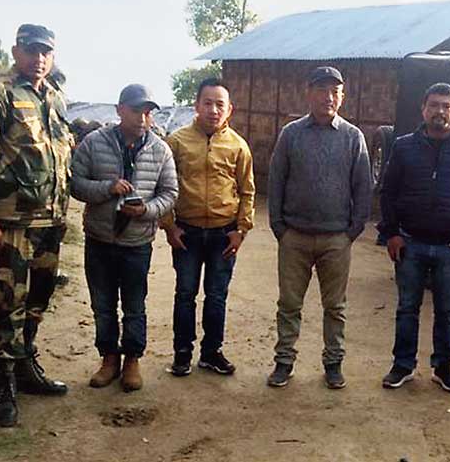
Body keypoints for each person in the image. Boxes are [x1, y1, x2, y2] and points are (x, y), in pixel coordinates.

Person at [0, 24, 73, 426]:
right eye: (31, 50)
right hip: (10, 222)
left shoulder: (55, 97)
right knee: (6, 302)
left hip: (49, 220)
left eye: (46, 51)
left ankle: (25, 364)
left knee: (38, 300)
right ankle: (3, 382)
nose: (38, 57)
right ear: (16, 50)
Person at [378, 83, 450, 391]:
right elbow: (387, 192)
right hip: (410, 242)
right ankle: (402, 365)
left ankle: (444, 367)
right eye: (434, 105)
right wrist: (391, 234)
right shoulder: (403, 146)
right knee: (407, 308)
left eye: (447, 106)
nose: (440, 111)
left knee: (447, 310)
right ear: (423, 109)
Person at [266, 66, 372, 389]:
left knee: (335, 307)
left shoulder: (353, 137)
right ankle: (284, 362)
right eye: (322, 90)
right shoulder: (291, 134)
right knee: (289, 305)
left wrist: (351, 231)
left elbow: (363, 186)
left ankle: (333, 363)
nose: (328, 97)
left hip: (336, 238)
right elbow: (276, 180)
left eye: (335, 92)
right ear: (309, 93)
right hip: (294, 236)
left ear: (342, 96)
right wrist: (280, 228)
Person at [71, 84, 177, 392]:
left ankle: (132, 360)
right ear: (119, 110)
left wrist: (146, 210)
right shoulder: (93, 143)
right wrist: (107, 188)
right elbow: (75, 184)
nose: (142, 118)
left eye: (147, 112)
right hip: (100, 240)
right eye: (135, 110)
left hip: (136, 243)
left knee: (134, 305)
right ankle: (108, 359)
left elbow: (170, 194)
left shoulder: (160, 149)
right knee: (102, 305)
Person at [161, 78, 254, 378]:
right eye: (208, 103)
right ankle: (182, 353)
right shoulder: (176, 142)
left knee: (216, 295)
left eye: (220, 105)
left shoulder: (238, 146)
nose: (214, 110)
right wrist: (169, 227)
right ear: (197, 106)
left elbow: (247, 191)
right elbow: (163, 186)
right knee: (185, 293)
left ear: (230, 110)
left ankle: (212, 352)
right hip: (186, 233)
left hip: (222, 235)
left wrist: (241, 230)